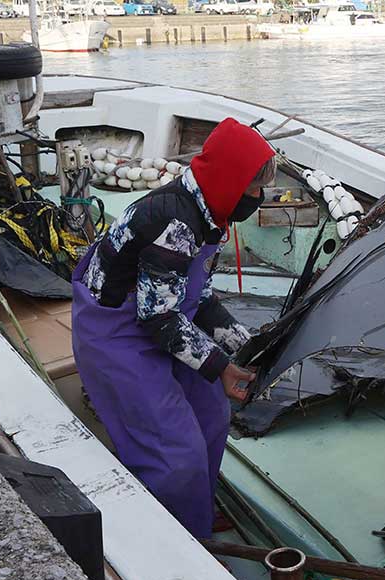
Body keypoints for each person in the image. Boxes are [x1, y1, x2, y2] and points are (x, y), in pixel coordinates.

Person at [71, 118, 276, 538]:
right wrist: (221, 366)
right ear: (230, 180)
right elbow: (156, 317)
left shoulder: (211, 212)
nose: (259, 196)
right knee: (174, 452)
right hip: (118, 331)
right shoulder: (174, 222)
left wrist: (251, 346)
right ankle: (180, 540)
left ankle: (195, 503)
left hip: (165, 318)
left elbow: (197, 298)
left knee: (214, 415)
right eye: (254, 186)